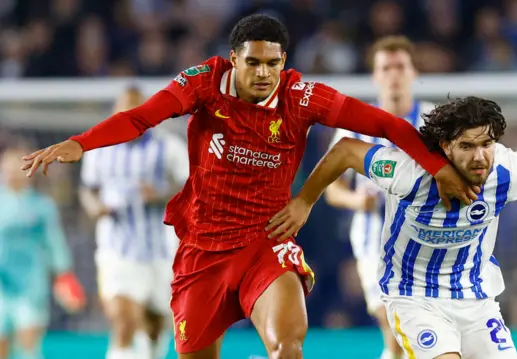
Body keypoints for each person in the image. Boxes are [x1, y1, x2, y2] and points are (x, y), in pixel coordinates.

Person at [21, 14, 479, 359]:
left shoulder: (301, 97)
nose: (263, 73)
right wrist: (82, 143)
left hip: (267, 241)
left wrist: (434, 165)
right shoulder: (203, 83)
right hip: (204, 248)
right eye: (254, 62)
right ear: (234, 58)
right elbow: (143, 117)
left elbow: (381, 123)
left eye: (273, 64)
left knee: (288, 348)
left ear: (284, 62)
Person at [268, 96, 517, 359]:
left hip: (474, 297)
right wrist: (305, 201)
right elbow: (346, 151)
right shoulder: (407, 171)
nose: (479, 157)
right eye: (467, 146)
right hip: (412, 297)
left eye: (487, 144)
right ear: (445, 146)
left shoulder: (505, 169)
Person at [325, 35, 431, 359]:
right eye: (386, 67)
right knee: (396, 329)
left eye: (400, 66)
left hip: (429, 240)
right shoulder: (353, 127)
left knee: (421, 335)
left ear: (414, 73)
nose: (393, 74)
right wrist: (358, 201)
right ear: (375, 75)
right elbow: (332, 189)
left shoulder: (435, 122)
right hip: (376, 242)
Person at [78, 87, 189, 359]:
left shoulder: (169, 148)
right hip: (117, 251)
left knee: (154, 327)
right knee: (125, 320)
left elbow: (194, 190)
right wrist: (95, 207)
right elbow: (87, 189)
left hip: (162, 251)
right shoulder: (98, 149)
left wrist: (161, 194)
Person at [0, 142, 85, 359]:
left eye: (15, 168)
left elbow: (54, 243)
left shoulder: (42, 206)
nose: (10, 173)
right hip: (2, 286)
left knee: (28, 344)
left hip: (31, 287)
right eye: (6, 168)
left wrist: (64, 277)